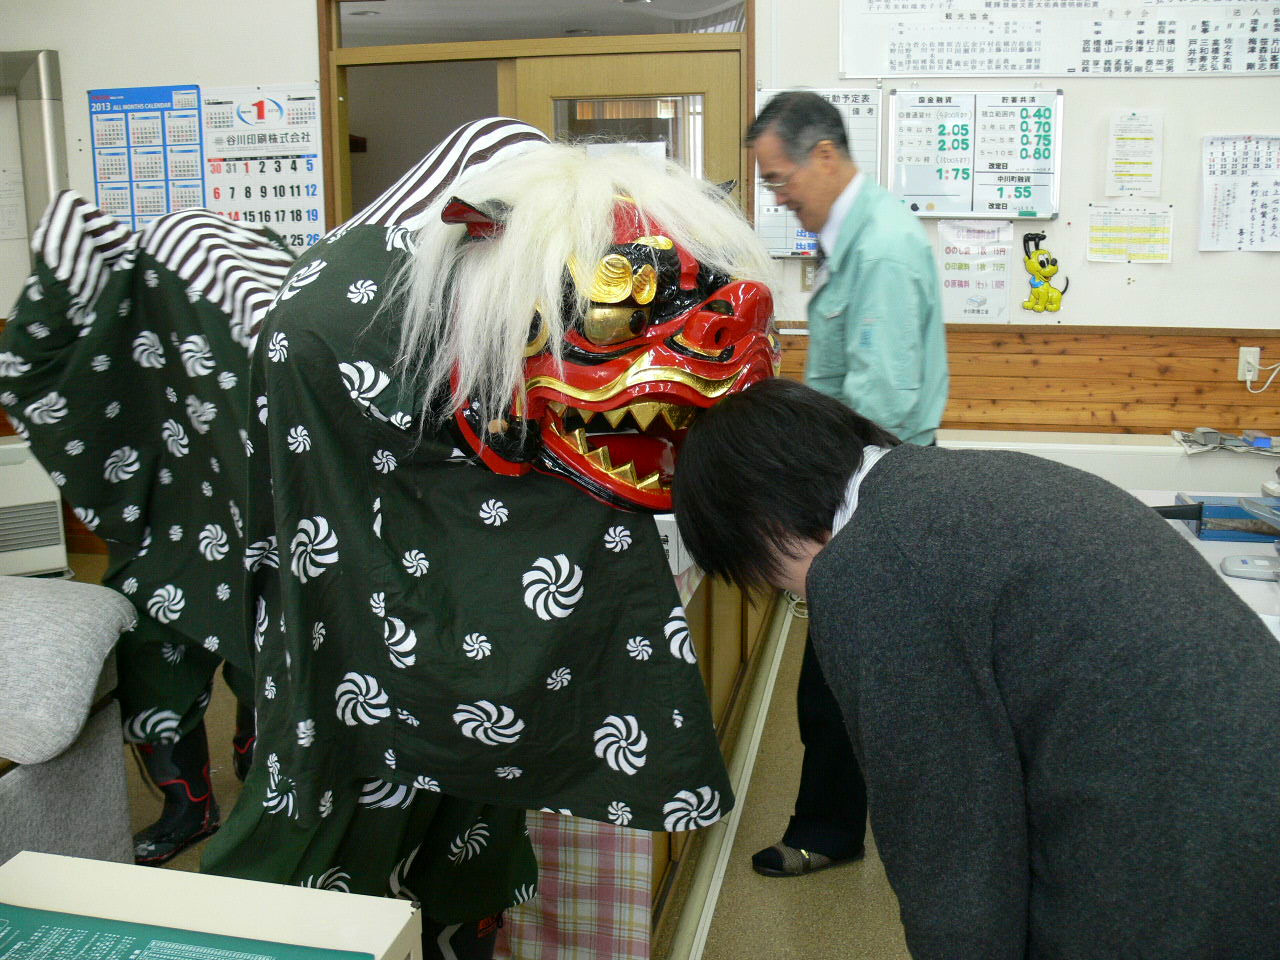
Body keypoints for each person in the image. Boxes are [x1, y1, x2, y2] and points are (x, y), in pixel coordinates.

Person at [672, 376, 1280, 958]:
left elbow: (951, 843)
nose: (790, 593)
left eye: (763, 575)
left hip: (1191, 846)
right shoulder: (953, 479)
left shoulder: (872, 568)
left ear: (761, 524)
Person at [743, 89, 949, 877]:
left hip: (874, 495)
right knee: (839, 679)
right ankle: (838, 824)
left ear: (823, 154)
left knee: (839, 683)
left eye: (779, 176)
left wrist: (811, 493)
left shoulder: (885, 246)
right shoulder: (850, 236)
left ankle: (829, 833)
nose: (778, 193)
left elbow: (883, 403)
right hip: (851, 488)